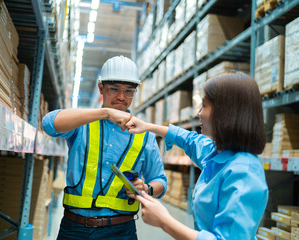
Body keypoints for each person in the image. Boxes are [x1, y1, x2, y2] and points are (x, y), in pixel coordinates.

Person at [113, 72, 269, 239]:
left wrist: (164, 221)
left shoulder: (243, 173)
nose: (199, 113)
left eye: (204, 106)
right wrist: (148, 126)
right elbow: (190, 140)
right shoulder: (218, 154)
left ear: (225, 112)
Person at [42, 55, 167, 240]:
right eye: (114, 89)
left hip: (121, 231)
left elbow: (160, 181)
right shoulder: (83, 122)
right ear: (101, 87)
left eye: (129, 91)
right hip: (74, 228)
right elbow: (49, 125)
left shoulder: (145, 134)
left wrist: (146, 188)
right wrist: (105, 113)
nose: (121, 97)